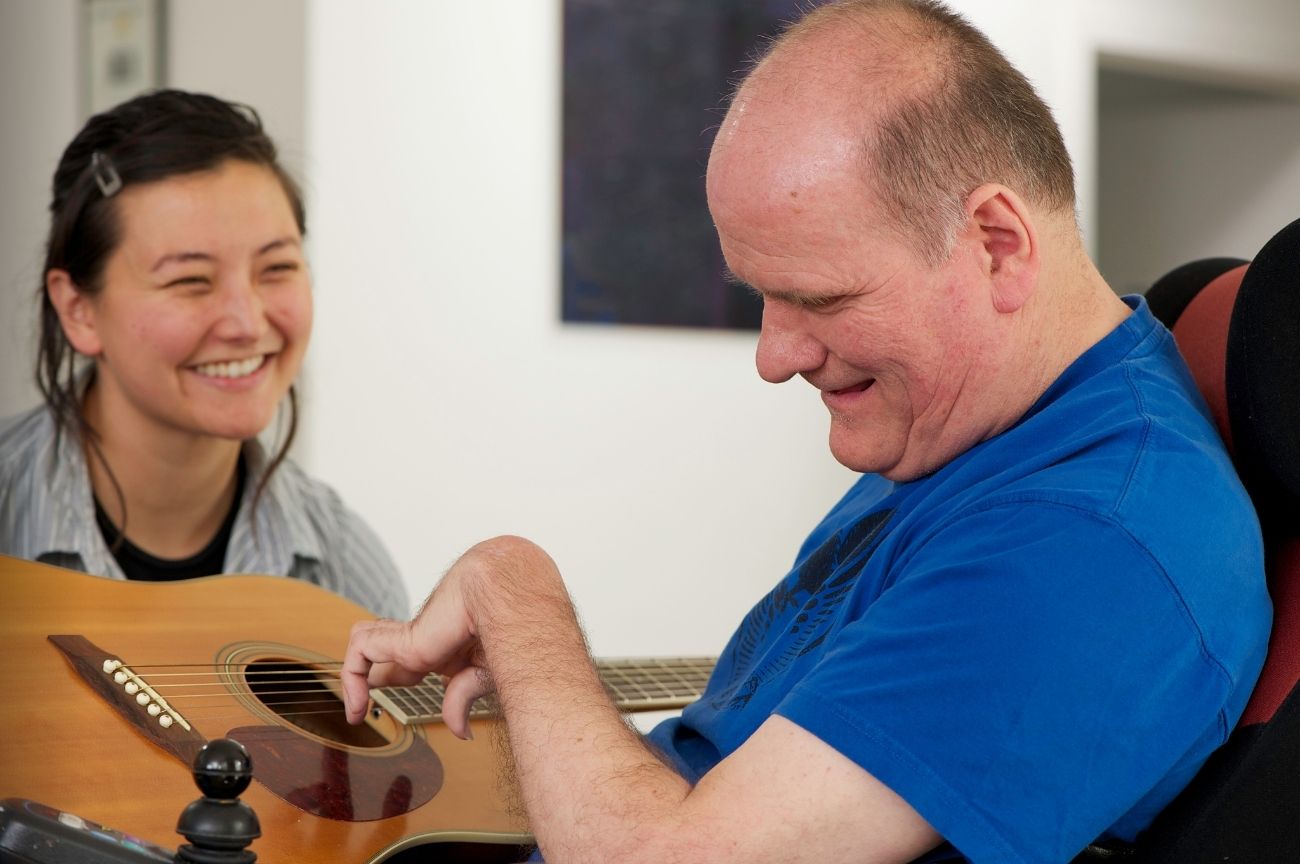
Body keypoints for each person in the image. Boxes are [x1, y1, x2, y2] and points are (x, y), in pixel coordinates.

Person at [340, 1, 1271, 861]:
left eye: (817, 298)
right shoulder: (961, 433)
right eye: (761, 297)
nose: (774, 356)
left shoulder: (1091, 544)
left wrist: (516, 594)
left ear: (997, 242)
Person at [0, 89, 408, 620]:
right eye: (191, 281)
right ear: (78, 309)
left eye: (277, 268)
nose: (246, 323)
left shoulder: (344, 568)